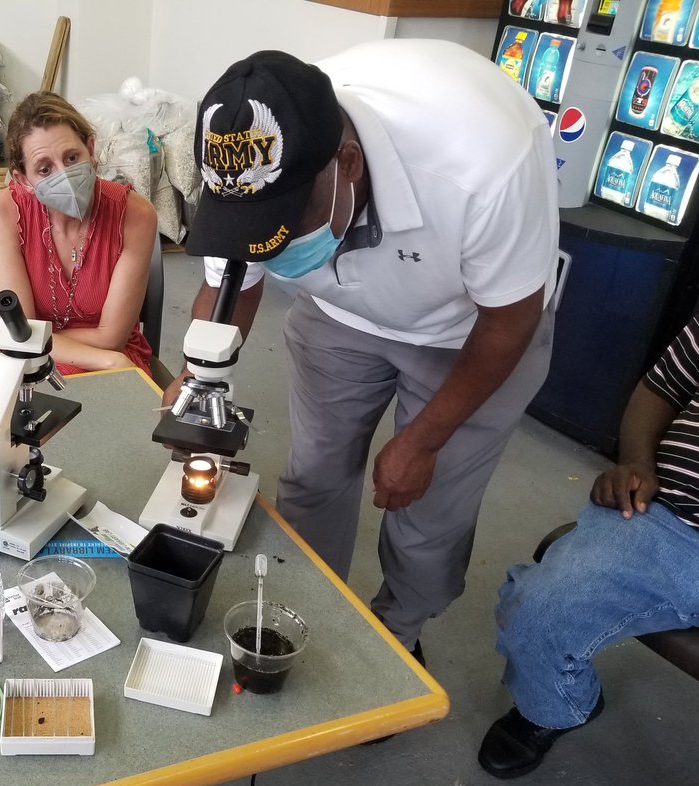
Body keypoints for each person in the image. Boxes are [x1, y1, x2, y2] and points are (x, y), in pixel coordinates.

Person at [174, 43, 559, 659]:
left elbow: (510, 322)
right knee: (317, 472)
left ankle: (398, 634)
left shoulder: (482, 164)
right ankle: (305, 606)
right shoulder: (252, 149)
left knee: (426, 506)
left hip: (468, 334)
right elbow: (230, 284)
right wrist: (198, 378)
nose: (269, 252)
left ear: (347, 163)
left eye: (284, 233)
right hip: (337, 315)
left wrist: (426, 438)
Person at [478, 298, 699, 778]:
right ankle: (560, 706)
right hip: (669, 517)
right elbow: (662, 388)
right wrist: (636, 462)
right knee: (535, 611)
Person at [0, 91, 158, 377]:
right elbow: (21, 326)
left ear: (91, 150)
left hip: (107, 354)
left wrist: (7, 340)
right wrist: (111, 362)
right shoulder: (4, 213)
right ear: (23, 180)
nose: (64, 175)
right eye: (45, 169)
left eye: (72, 157)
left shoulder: (136, 215)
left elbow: (111, 338)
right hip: (26, 358)